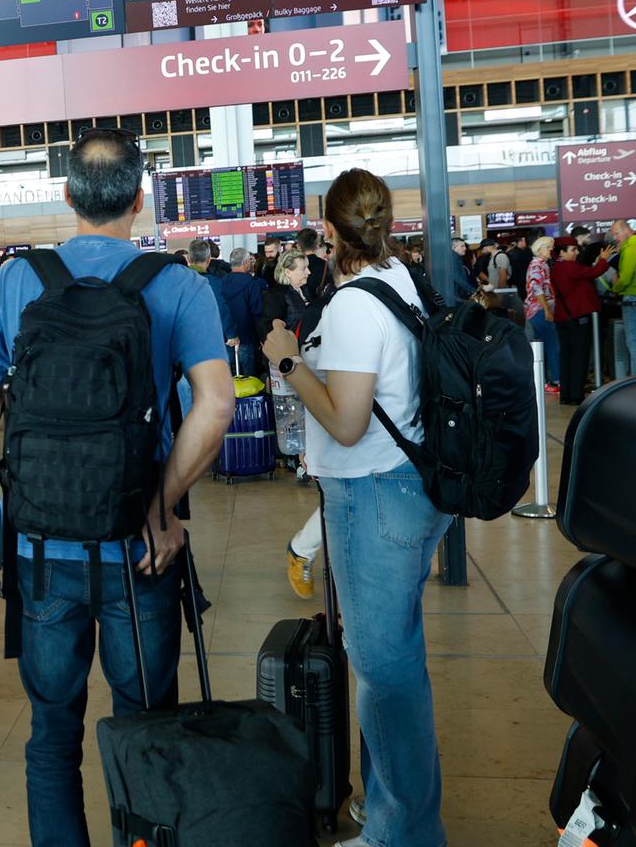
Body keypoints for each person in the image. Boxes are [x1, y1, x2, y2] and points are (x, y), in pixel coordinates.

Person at [0, 128, 232, 846]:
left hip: (39, 546)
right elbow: (216, 406)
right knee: (144, 729)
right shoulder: (176, 284)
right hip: (139, 551)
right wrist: (159, 503)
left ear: (69, 197)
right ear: (140, 200)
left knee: (52, 733)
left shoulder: (19, 280)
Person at [260, 167, 452, 847]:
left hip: (372, 494)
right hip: (411, 488)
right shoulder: (403, 283)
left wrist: (288, 361)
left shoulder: (352, 308)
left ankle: (404, 834)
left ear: (330, 229)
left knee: (384, 670)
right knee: (391, 658)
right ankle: (388, 811)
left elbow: (346, 421)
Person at [264, 250, 320, 599]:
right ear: (289, 271)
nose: (310, 271)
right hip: (294, 380)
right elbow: (275, 339)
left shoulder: (310, 296)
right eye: (304, 267)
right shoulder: (276, 299)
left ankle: (304, 550)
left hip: (311, 378)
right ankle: (303, 550)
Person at [549, 236, 612, 405]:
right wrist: (604, 260)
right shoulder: (569, 267)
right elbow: (593, 272)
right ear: (562, 252)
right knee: (579, 356)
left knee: (567, 356)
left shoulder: (557, 267)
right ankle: (576, 394)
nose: (577, 252)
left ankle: (567, 394)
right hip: (576, 317)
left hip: (563, 316)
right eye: (573, 249)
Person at [609, 219, 636, 375]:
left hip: (633, 298)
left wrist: (614, 289)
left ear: (627, 230)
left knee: (634, 341)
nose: (615, 237)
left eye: (617, 233)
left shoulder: (632, 247)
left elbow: (626, 277)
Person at [218, 247, 266, 377]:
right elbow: (257, 312)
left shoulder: (220, 283)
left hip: (226, 340)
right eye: (250, 260)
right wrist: (262, 337)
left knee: (229, 380)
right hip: (247, 338)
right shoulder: (252, 284)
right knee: (249, 380)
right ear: (245, 263)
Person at [524, 237, 561, 392]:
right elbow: (537, 288)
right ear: (540, 249)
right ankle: (555, 381)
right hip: (539, 310)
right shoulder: (537, 266)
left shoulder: (543, 265)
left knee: (546, 346)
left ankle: (548, 380)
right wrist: (546, 309)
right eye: (548, 247)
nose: (551, 250)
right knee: (552, 345)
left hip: (538, 309)